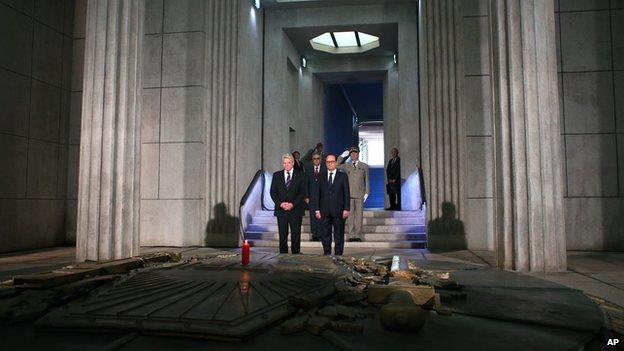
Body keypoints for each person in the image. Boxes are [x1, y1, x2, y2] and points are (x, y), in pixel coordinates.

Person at [310, 154, 350, 255]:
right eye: (328, 162)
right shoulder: (321, 176)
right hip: (324, 211)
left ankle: (339, 256)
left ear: (336, 163)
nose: (330, 164)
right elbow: (317, 194)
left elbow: (346, 193)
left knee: (339, 236)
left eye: (332, 161)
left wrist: (346, 209)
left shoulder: (343, 176)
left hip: (339, 211)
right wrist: (317, 209)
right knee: (325, 236)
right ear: (326, 163)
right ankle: (327, 255)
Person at [270, 153, 306, 254]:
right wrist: (280, 204)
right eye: (284, 163)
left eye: (288, 163)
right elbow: (273, 192)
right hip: (281, 210)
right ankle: (283, 256)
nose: (286, 165)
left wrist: (292, 204)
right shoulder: (276, 175)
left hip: (295, 210)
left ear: (293, 163)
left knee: (295, 235)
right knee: (282, 235)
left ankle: (295, 255)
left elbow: (302, 192)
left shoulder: (300, 175)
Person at [337, 147, 369, 242]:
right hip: (349, 194)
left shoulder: (364, 166)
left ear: (358, 154)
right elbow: (337, 165)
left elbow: (366, 180)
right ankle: (351, 235)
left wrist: (367, 192)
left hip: (360, 194)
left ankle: (358, 235)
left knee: (359, 215)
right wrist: (342, 156)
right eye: (352, 153)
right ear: (350, 155)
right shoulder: (347, 165)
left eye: (355, 153)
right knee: (350, 216)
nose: (354, 155)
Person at [304, 151, 325, 241]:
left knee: (321, 216)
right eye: (314, 158)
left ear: (320, 159)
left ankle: (321, 234)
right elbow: (306, 184)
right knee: (313, 217)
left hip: (322, 197)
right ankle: (314, 235)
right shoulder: (308, 169)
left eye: (318, 158)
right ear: (312, 160)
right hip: (312, 197)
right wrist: (306, 196)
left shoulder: (324, 169)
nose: (316, 160)